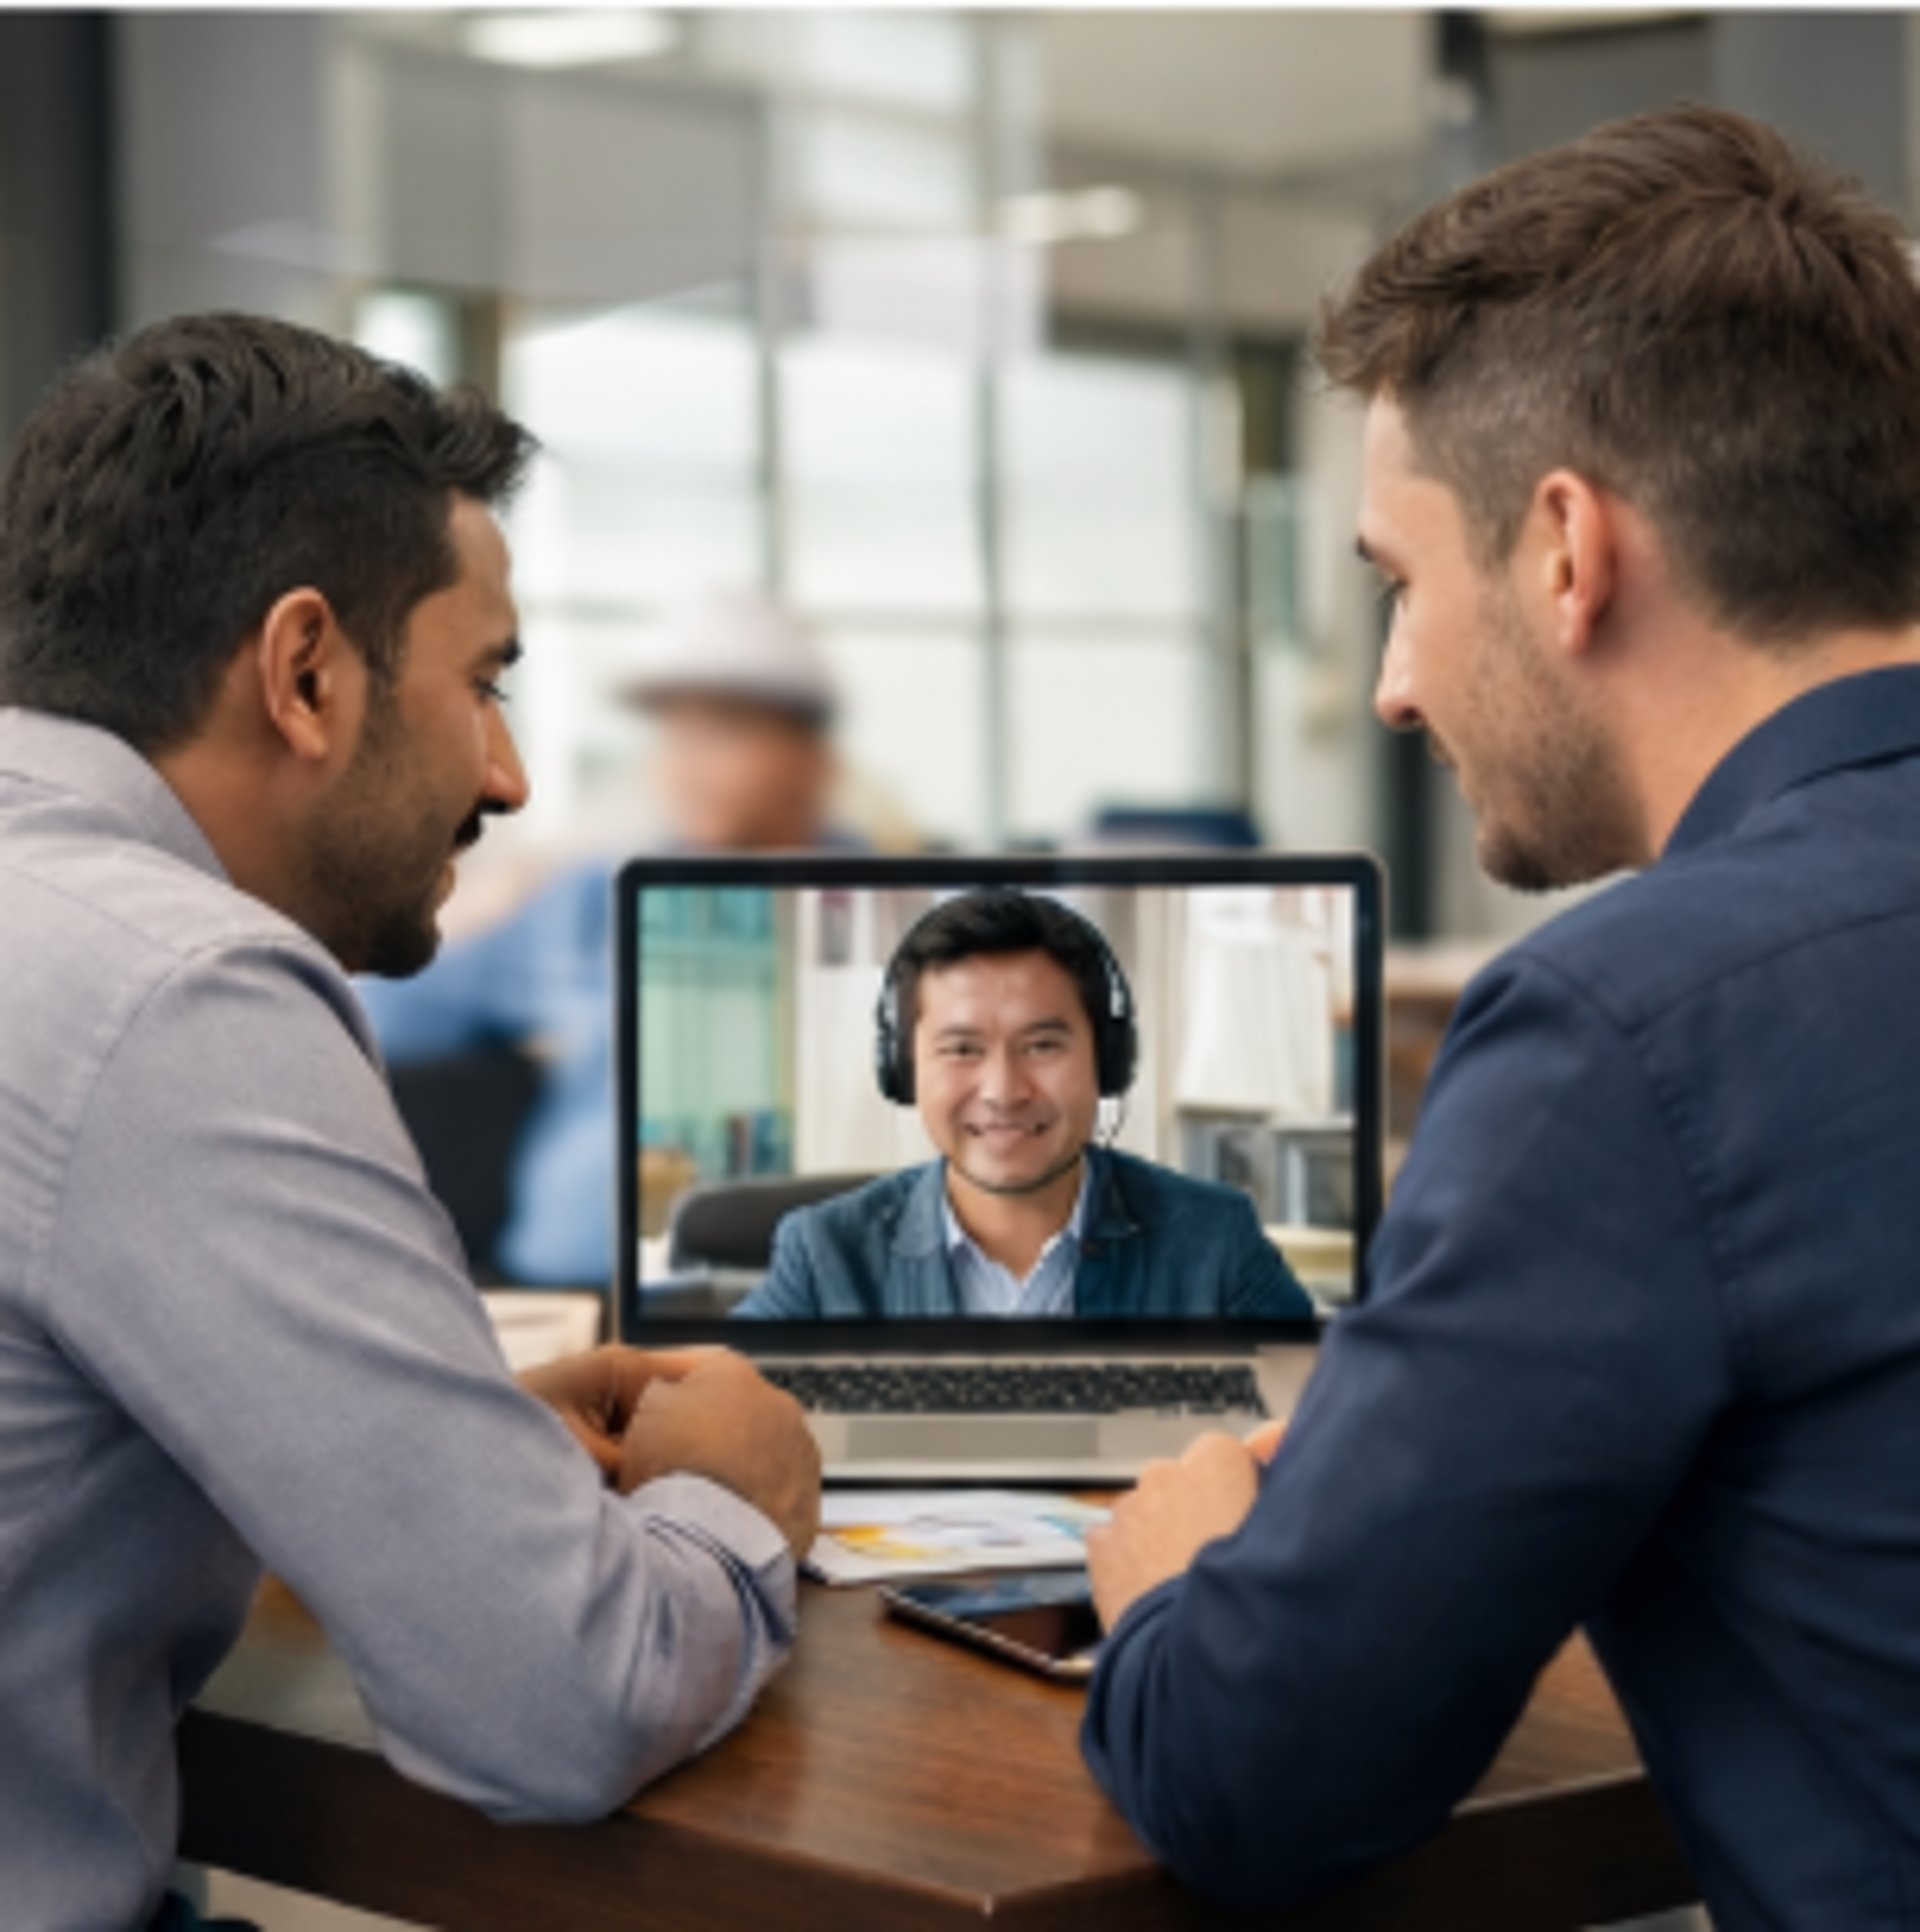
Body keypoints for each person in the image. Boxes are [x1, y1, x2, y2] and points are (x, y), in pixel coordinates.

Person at [1078, 104, 1920, 1928]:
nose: (1390, 685)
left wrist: (1175, 1576)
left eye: (1397, 580)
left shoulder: (1631, 1026)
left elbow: (1260, 1772)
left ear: (1562, 549)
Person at [0, 313, 822, 1932]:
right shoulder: (179, 988)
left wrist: (421, 1423)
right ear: (307, 672)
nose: (511, 772)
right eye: (486, 682)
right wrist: (733, 1495)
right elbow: (559, 1700)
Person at [358, 589, 860, 1286]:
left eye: (725, 730)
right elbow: (375, 1013)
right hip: (575, 1288)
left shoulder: (887, 917)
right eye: (674, 733)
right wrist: (458, 902)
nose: (685, 762)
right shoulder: (590, 899)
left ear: (811, 758)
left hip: (788, 1293)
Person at [732, 890, 1312, 1320]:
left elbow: (1319, 1425)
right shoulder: (823, 1253)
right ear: (905, 1069)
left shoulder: (1217, 1239)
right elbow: (718, 1417)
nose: (1004, 1091)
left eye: (1042, 1046)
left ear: (1106, 1061)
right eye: (962, 1049)